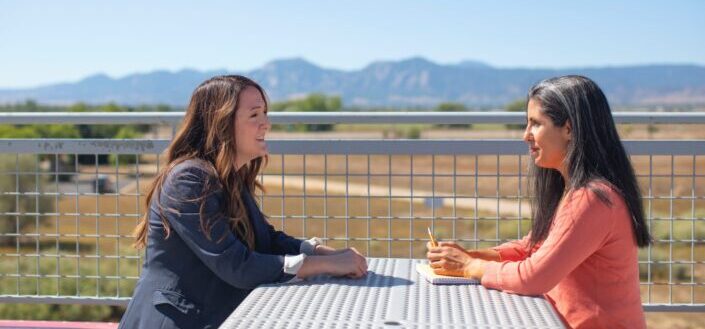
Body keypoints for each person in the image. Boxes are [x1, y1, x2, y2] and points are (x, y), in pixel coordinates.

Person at [119, 75, 367, 329]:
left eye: (265, 114)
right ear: (221, 122)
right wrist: (325, 264)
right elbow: (236, 265)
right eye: (255, 115)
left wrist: (320, 251)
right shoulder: (189, 180)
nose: (266, 124)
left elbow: (266, 241)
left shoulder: (229, 176)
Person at [427, 75, 651, 329]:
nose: (526, 136)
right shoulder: (575, 189)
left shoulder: (593, 198)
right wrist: (469, 256)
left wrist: (471, 266)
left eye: (535, 124)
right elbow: (533, 248)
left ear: (569, 129)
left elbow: (534, 277)